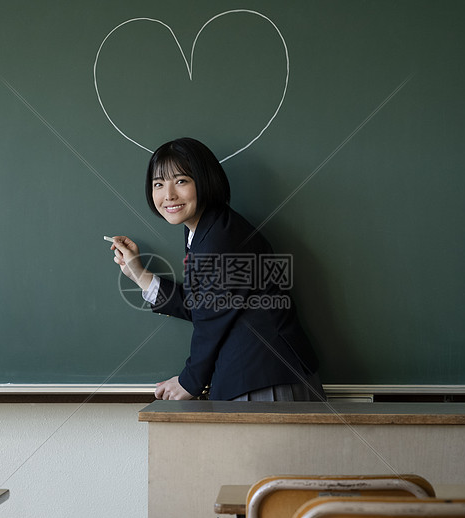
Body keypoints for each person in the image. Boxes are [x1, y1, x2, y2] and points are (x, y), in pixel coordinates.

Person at [109, 138, 324, 401]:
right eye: (158, 184)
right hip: (259, 377)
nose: (168, 195)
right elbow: (206, 306)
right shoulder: (205, 230)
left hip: (265, 380)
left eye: (181, 181)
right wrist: (139, 275)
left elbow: (210, 320)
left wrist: (190, 381)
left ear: (205, 181)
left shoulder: (221, 237)